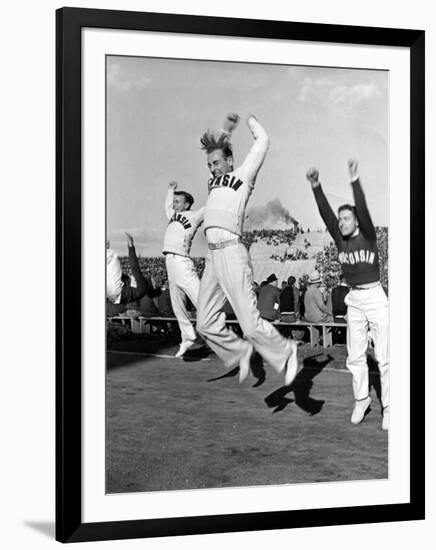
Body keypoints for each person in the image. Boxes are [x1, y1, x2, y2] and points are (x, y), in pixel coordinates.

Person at [196, 113, 298, 385]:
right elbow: (217, 150)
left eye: (217, 163)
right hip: (212, 258)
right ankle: (239, 352)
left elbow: (262, 142)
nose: (213, 168)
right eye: (209, 165)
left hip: (231, 252)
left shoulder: (243, 177)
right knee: (204, 323)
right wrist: (224, 131)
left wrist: (251, 122)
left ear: (230, 161)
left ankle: (286, 350)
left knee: (250, 325)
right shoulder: (212, 181)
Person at [307, 159, 389, 430]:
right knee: (355, 356)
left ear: (355, 221)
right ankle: (361, 400)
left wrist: (354, 181)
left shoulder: (367, 235)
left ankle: (389, 406)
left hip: (376, 296)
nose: (340, 222)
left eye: (345, 218)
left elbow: (363, 209)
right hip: (354, 299)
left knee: (386, 356)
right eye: (339, 219)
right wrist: (316, 185)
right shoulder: (338, 238)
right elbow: (324, 213)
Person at [163, 181, 205, 357]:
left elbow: (211, 204)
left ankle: (224, 333)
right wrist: (170, 189)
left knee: (201, 301)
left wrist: (214, 178)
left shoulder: (194, 216)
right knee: (177, 304)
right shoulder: (172, 215)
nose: (174, 204)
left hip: (182, 261)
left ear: (187, 204)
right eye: (174, 201)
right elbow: (167, 204)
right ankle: (187, 337)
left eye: (178, 201)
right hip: (169, 262)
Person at [106, 232, 155, 305]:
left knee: (112, 256)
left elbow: (135, 268)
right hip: (114, 296)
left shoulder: (144, 286)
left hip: (116, 291)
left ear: (152, 286)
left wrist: (131, 246)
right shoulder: (140, 290)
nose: (154, 278)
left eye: (155, 281)